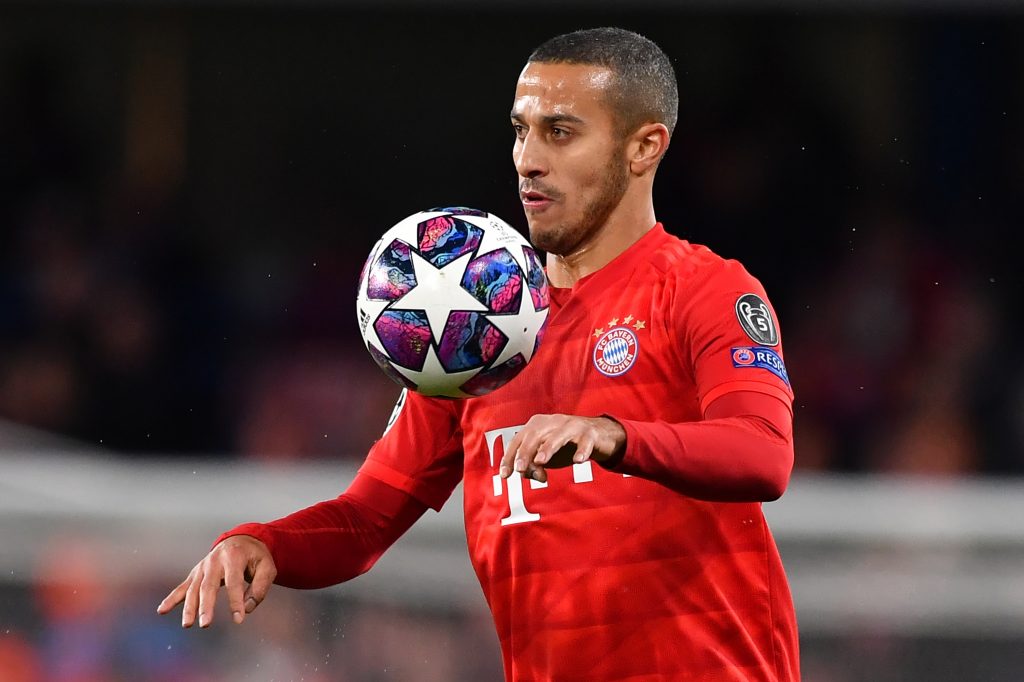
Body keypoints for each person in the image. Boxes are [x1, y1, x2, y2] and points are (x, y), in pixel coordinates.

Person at [159, 26, 800, 681]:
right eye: (520, 130)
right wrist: (266, 543)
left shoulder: (704, 290)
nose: (527, 159)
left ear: (643, 147)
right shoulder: (472, 327)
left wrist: (614, 437)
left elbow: (762, 455)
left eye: (560, 132)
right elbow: (367, 520)